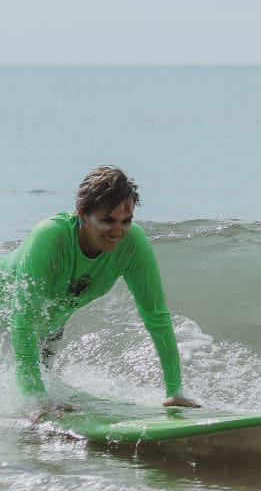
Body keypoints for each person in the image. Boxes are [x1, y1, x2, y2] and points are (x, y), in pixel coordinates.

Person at [0, 166, 201, 414]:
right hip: (12, 314)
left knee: (43, 383)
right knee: (33, 396)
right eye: (107, 220)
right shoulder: (51, 237)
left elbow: (156, 316)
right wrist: (36, 399)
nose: (118, 231)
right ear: (82, 213)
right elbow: (23, 320)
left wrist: (174, 390)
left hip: (49, 326)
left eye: (126, 221)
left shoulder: (132, 245)